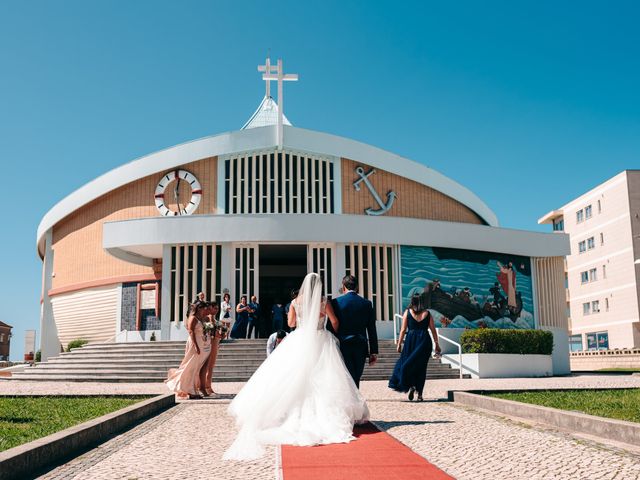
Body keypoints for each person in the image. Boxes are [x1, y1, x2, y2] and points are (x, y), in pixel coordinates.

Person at [223, 273, 369, 461]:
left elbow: (291, 323)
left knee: (290, 377)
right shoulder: (324, 302)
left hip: (299, 339)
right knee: (323, 379)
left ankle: (284, 414)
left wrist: (302, 320)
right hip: (320, 340)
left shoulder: (294, 302)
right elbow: (335, 322)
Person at [388, 293, 441, 402]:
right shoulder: (427, 313)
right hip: (424, 341)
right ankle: (420, 394)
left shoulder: (407, 312)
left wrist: (399, 343)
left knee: (407, 364)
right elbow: (433, 330)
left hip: (411, 341)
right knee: (421, 368)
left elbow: (403, 329)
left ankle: (411, 385)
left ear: (412, 301)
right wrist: (436, 344)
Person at [330, 275, 379, 388]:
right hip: (360, 345)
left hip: (342, 345)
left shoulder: (335, 303)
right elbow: (371, 328)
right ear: (357, 287)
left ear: (343, 287)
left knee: (346, 377)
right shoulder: (367, 304)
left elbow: (331, 327)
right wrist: (373, 351)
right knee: (356, 377)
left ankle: (351, 401)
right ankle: (355, 400)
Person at [166, 301, 211, 399]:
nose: (205, 310)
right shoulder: (193, 318)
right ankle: (182, 385)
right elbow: (191, 332)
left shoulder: (201, 318)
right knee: (190, 366)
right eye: (203, 308)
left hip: (200, 343)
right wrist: (195, 346)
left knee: (195, 367)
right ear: (199, 308)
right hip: (194, 343)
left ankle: (192, 389)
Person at [200, 301, 222, 396]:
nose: (216, 310)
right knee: (208, 365)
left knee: (211, 365)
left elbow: (216, 332)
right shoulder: (207, 318)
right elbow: (207, 330)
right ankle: (206, 386)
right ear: (210, 308)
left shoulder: (214, 318)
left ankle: (208, 386)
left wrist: (221, 333)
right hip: (210, 342)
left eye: (217, 308)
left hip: (216, 342)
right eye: (215, 308)